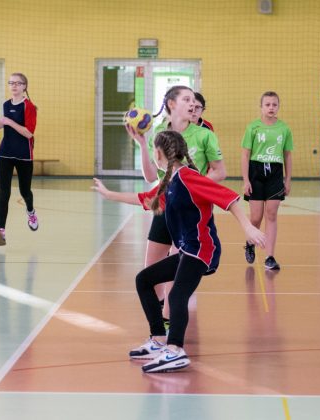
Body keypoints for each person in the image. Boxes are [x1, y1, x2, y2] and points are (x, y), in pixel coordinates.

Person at [92, 130, 265, 373]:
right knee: (144, 280)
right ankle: (158, 340)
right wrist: (109, 194)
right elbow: (145, 199)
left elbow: (229, 198)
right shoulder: (171, 182)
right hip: (187, 250)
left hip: (202, 250)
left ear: (159, 154)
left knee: (176, 296)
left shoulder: (188, 177)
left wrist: (247, 228)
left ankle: (175, 350)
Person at [126, 86, 226, 325]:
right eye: (187, 99)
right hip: (164, 205)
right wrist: (142, 144)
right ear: (171, 104)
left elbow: (220, 172)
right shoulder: (160, 131)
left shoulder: (204, 135)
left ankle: (169, 322)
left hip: (189, 210)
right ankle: (159, 316)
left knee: (177, 269)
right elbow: (151, 176)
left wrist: (193, 187)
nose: (193, 104)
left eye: (194, 101)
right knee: (150, 270)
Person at [0, 73, 38, 246]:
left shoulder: (29, 107)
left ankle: (31, 212)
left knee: (25, 191)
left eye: (18, 83)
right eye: (11, 83)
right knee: (4, 192)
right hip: (5, 153)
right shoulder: (6, 104)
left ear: (24, 86)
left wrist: (9, 122)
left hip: (24, 154)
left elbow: (28, 133)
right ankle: (1, 231)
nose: (14, 86)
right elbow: (3, 122)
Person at [241, 91, 293, 270]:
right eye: (267, 104)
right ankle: (250, 243)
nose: (271, 108)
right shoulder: (253, 127)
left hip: (275, 172)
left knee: (271, 215)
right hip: (256, 171)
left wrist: (288, 179)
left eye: (274, 105)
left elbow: (287, 155)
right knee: (256, 217)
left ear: (278, 107)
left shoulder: (284, 129)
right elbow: (245, 155)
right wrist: (246, 180)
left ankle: (270, 257)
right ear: (261, 107)